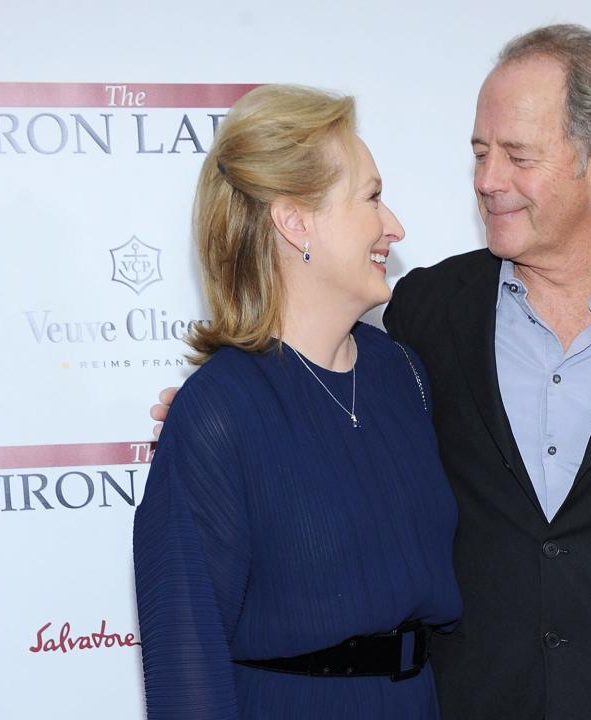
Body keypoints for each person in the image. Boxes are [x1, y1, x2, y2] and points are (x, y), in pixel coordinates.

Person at [153, 24, 591, 720]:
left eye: (518, 156)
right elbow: (332, 428)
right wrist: (221, 428)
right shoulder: (427, 313)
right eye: (480, 152)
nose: (489, 180)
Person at [133, 84, 461, 720]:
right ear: (295, 222)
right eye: (370, 196)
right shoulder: (219, 411)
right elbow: (185, 666)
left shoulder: (404, 375)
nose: (394, 226)